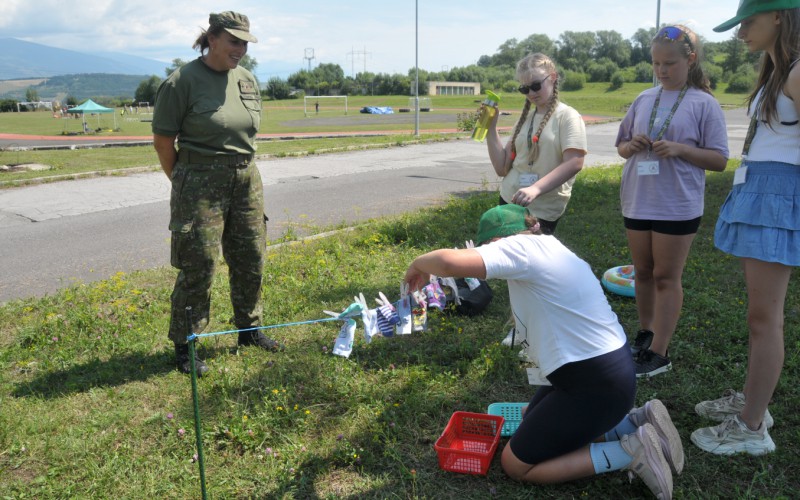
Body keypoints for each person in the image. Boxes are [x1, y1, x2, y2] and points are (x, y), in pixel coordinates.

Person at [404, 204, 683, 499]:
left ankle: (630, 451)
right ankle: (635, 422)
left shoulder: (520, 248)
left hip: (593, 384)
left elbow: (448, 263)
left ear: (496, 242)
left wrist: (417, 264)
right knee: (531, 419)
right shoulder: (552, 248)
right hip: (607, 374)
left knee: (515, 464)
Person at [690, 0, 800, 456]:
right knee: (759, 317)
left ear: (779, 15)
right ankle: (756, 402)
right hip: (760, 191)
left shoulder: (797, 72)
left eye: (747, 22)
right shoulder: (778, 70)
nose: (740, 34)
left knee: (764, 320)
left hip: (778, 197)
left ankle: (752, 426)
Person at [152, 11, 282, 377]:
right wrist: (183, 180)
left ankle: (250, 330)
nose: (240, 49)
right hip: (199, 181)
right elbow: (163, 142)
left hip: (245, 177)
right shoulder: (182, 82)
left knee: (251, 256)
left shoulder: (247, 80)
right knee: (200, 265)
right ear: (212, 38)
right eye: (233, 41)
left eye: (244, 43)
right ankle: (187, 345)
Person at [615, 25, 729, 378]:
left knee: (666, 276)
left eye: (669, 64)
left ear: (690, 60)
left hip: (676, 204)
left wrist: (679, 149)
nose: (662, 71)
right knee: (644, 273)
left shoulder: (704, 103)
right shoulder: (643, 99)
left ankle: (660, 352)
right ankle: (645, 335)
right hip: (638, 199)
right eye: (656, 64)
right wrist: (631, 146)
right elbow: (620, 148)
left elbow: (720, 160)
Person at [484, 52, 588, 348]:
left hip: (541, 207)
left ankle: (533, 328)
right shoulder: (527, 117)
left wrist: (537, 189)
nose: (530, 94)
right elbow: (502, 167)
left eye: (535, 86)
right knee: (515, 269)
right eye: (524, 89)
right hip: (511, 201)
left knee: (534, 272)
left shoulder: (567, 116)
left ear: (553, 79)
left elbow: (574, 162)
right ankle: (521, 326)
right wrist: (491, 128)